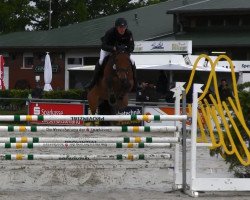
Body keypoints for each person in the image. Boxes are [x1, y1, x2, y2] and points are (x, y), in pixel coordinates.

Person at [85, 17, 136, 89]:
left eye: (124, 27)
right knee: (101, 61)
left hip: (122, 52)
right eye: (120, 27)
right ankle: (93, 81)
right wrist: (113, 48)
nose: (122, 29)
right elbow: (103, 46)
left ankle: (135, 82)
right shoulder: (110, 32)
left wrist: (125, 50)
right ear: (116, 27)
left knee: (132, 62)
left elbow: (132, 47)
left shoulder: (129, 33)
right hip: (107, 50)